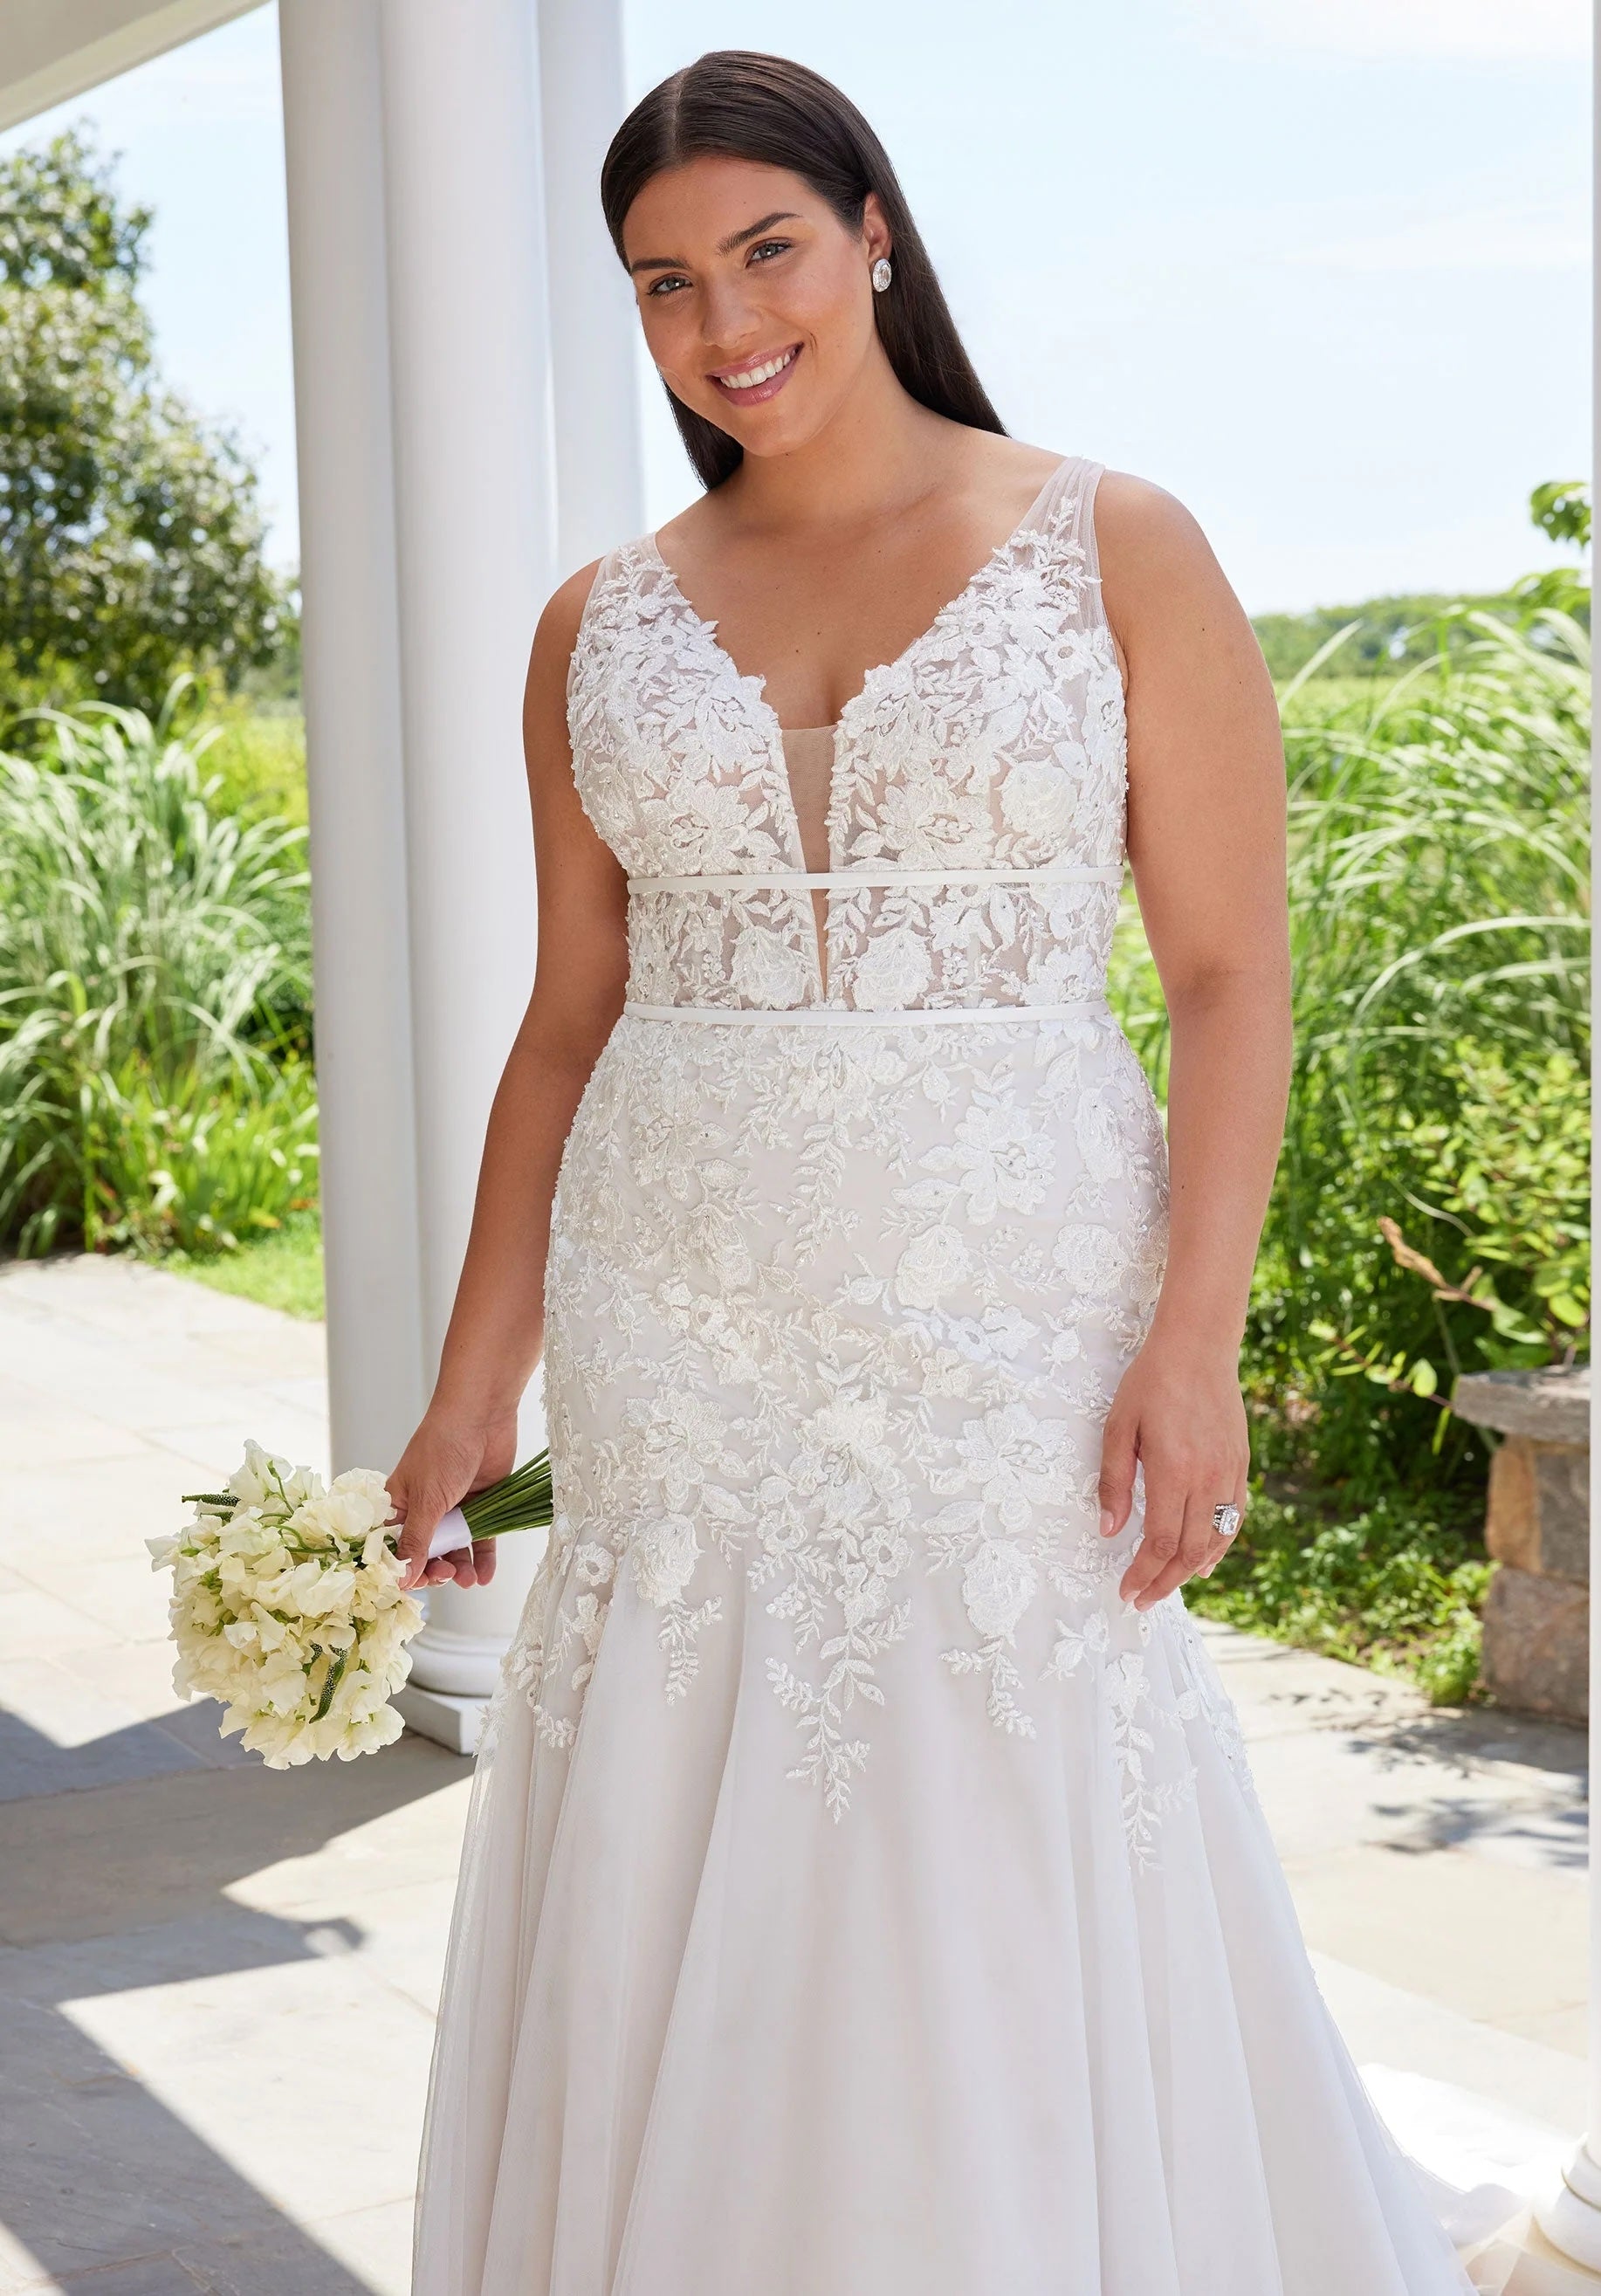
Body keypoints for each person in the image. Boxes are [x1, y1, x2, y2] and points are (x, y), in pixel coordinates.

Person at [401, 47, 1479, 2296]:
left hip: (1015, 1292)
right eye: (663, 284)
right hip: (679, 1320)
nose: (723, 324)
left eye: (765, 251)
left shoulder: (1114, 541)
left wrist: (1201, 1343)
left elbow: (1229, 980)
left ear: (873, 230)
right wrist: (467, 1389)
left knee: (994, 1793)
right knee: (686, 1802)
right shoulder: (595, 628)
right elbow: (565, 1025)